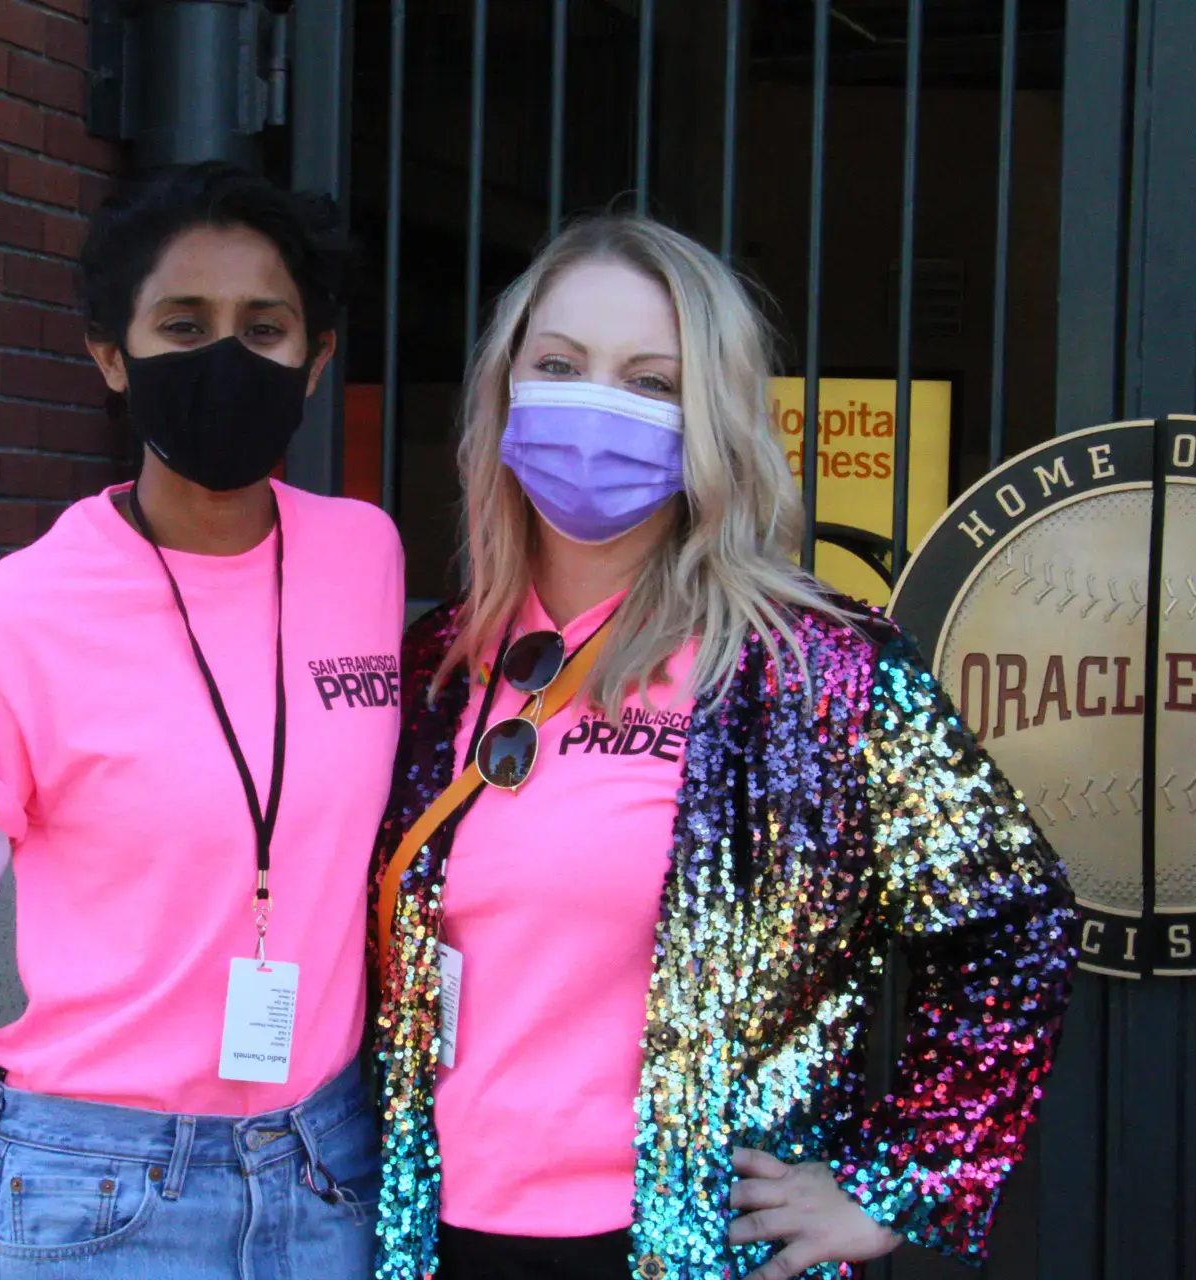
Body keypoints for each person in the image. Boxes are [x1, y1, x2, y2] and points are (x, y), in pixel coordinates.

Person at [368, 215, 1077, 1280]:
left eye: (651, 381)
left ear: (713, 419)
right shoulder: (440, 659)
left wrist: (900, 1179)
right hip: (436, 1238)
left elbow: (1015, 920)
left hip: (692, 1246)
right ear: (506, 388)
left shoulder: (817, 672)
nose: (597, 401)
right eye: (561, 365)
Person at [0, 162, 403, 1280]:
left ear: (317, 356)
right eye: (183, 323)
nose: (225, 357)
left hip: (330, 1171)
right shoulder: (8, 622)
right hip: (97, 1186)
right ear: (111, 353)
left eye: (266, 326)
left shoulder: (367, 559)